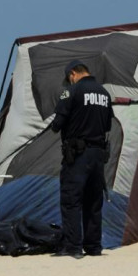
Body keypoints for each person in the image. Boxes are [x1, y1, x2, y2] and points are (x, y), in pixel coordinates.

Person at [51, 60, 113, 258]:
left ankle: (73, 247)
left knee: (71, 200)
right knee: (94, 202)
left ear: (72, 74)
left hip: (77, 156)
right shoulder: (104, 93)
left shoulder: (71, 91)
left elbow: (57, 124)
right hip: (98, 155)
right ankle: (94, 247)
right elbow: (107, 126)